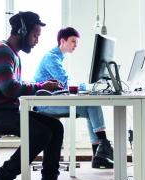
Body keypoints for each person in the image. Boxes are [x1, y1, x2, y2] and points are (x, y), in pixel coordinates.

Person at [0, 12, 78, 180]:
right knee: (41, 132)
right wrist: (40, 86)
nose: (37, 40)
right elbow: (10, 88)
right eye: (35, 35)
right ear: (22, 31)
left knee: (55, 126)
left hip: (2, 112)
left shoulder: (12, 54)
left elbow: (13, 85)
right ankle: (2, 178)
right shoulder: (2, 52)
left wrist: (39, 86)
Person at [33, 27, 113, 169]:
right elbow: (65, 83)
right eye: (73, 41)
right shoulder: (52, 58)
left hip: (53, 101)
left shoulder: (57, 57)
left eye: (76, 42)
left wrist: (87, 87)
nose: (75, 45)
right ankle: (103, 145)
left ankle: (98, 155)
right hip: (45, 103)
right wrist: (88, 87)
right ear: (62, 41)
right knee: (92, 104)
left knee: (91, 107)